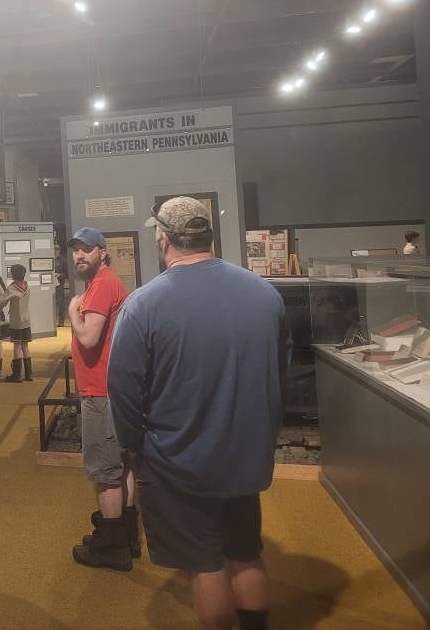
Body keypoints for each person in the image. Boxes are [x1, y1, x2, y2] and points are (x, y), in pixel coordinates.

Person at [108, 197, 289, 630]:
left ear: (163, 239)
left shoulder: (144, 304)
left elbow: (124, 390)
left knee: (205, 563)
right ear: (209, 235)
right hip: (245, 454)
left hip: (178, 460)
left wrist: (134, 445)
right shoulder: (264, 294)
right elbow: (279, 374)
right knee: (246, 551)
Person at [65, 227, 136, 571]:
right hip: (111, 388)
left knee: (105, 470)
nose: (79, 255)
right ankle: (126, 535)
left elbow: (89, 338)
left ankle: (112, 547)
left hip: (100, 390)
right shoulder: (105, 283)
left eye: (86, 249)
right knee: (121, 466)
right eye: (76, 250)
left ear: (102, 253)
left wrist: (72, 314)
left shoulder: (102, 284)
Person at [0, 264, 33, 382]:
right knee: (25, 346)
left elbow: (1, 302)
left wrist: (0, 310)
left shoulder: (12, 288)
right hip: (26, 320)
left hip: (17, 321)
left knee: (17, 346)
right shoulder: (27, 285)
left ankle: (17, 375)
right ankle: (29, 374)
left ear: (12, 274)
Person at [54, 246, 69, 327]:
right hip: (49, 284)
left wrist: (60, 275)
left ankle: (61, 321)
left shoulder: (63, 260)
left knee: (60, 303)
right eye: (54, 250)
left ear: (59, 251)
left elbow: (68, 273)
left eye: (56, 250)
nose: (55, 251)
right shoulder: (50, 259)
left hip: (59, 284)